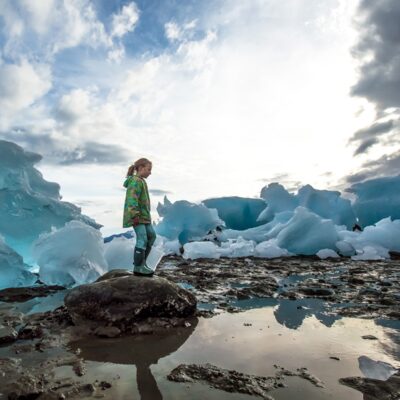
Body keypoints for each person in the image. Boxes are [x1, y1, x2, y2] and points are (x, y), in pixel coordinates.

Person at [123, 158, 156, 276]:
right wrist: (134, 215)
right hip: (136, 216)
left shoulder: (141, 181)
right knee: (142, 239)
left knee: (151, 236)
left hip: (145, 216)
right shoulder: (135, 181)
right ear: (141, 168)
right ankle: (138, 267)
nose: (150, 172)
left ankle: (143, 263)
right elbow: (132, 199)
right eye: (149, 169)